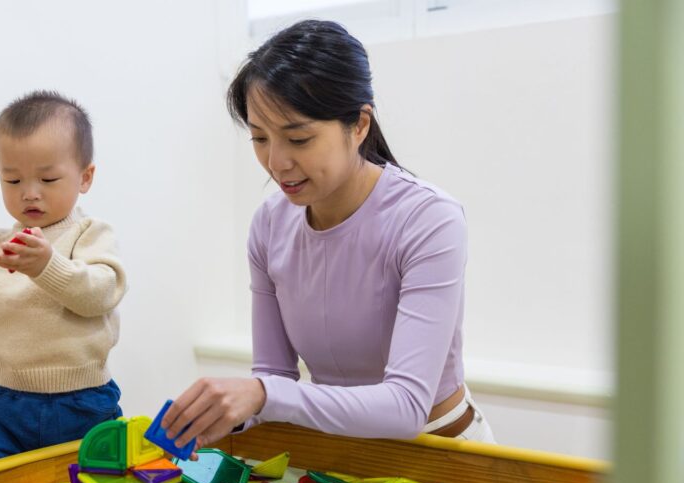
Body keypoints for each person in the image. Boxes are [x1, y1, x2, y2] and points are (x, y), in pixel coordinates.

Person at [162, 20, 495, 452]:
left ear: (358, 125)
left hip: (443, 453)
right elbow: (275, 376)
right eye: (259, 138)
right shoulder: (269, 225)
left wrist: (261, 395)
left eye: (298, 138)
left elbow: (406, 406)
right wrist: (221, 414)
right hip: (337, 459)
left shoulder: (429, 219)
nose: (276, 162)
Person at [0, 90, 127, 462]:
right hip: (3, 404)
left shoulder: (91, 234)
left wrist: (45, 266)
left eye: (48, 179)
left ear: (85, 177)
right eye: (13, 181)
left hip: (81, 401)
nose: (29, 194)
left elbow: (100, 293)